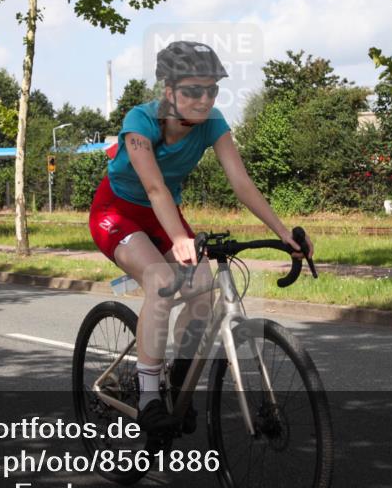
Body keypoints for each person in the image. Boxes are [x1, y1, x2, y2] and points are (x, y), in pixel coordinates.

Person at [89, 41, 313, 440]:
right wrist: (178, 238)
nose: (205, 99)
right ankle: (149, 397)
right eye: (194, 90)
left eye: (212, 90)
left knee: (203, 290)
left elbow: (242, 183)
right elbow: (155, 187)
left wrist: (284, 233)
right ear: (169, 91)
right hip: (118, 212)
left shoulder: (214, 124)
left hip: (165, 216)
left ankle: (178, 378)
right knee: (160, 280)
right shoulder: (140, 122)